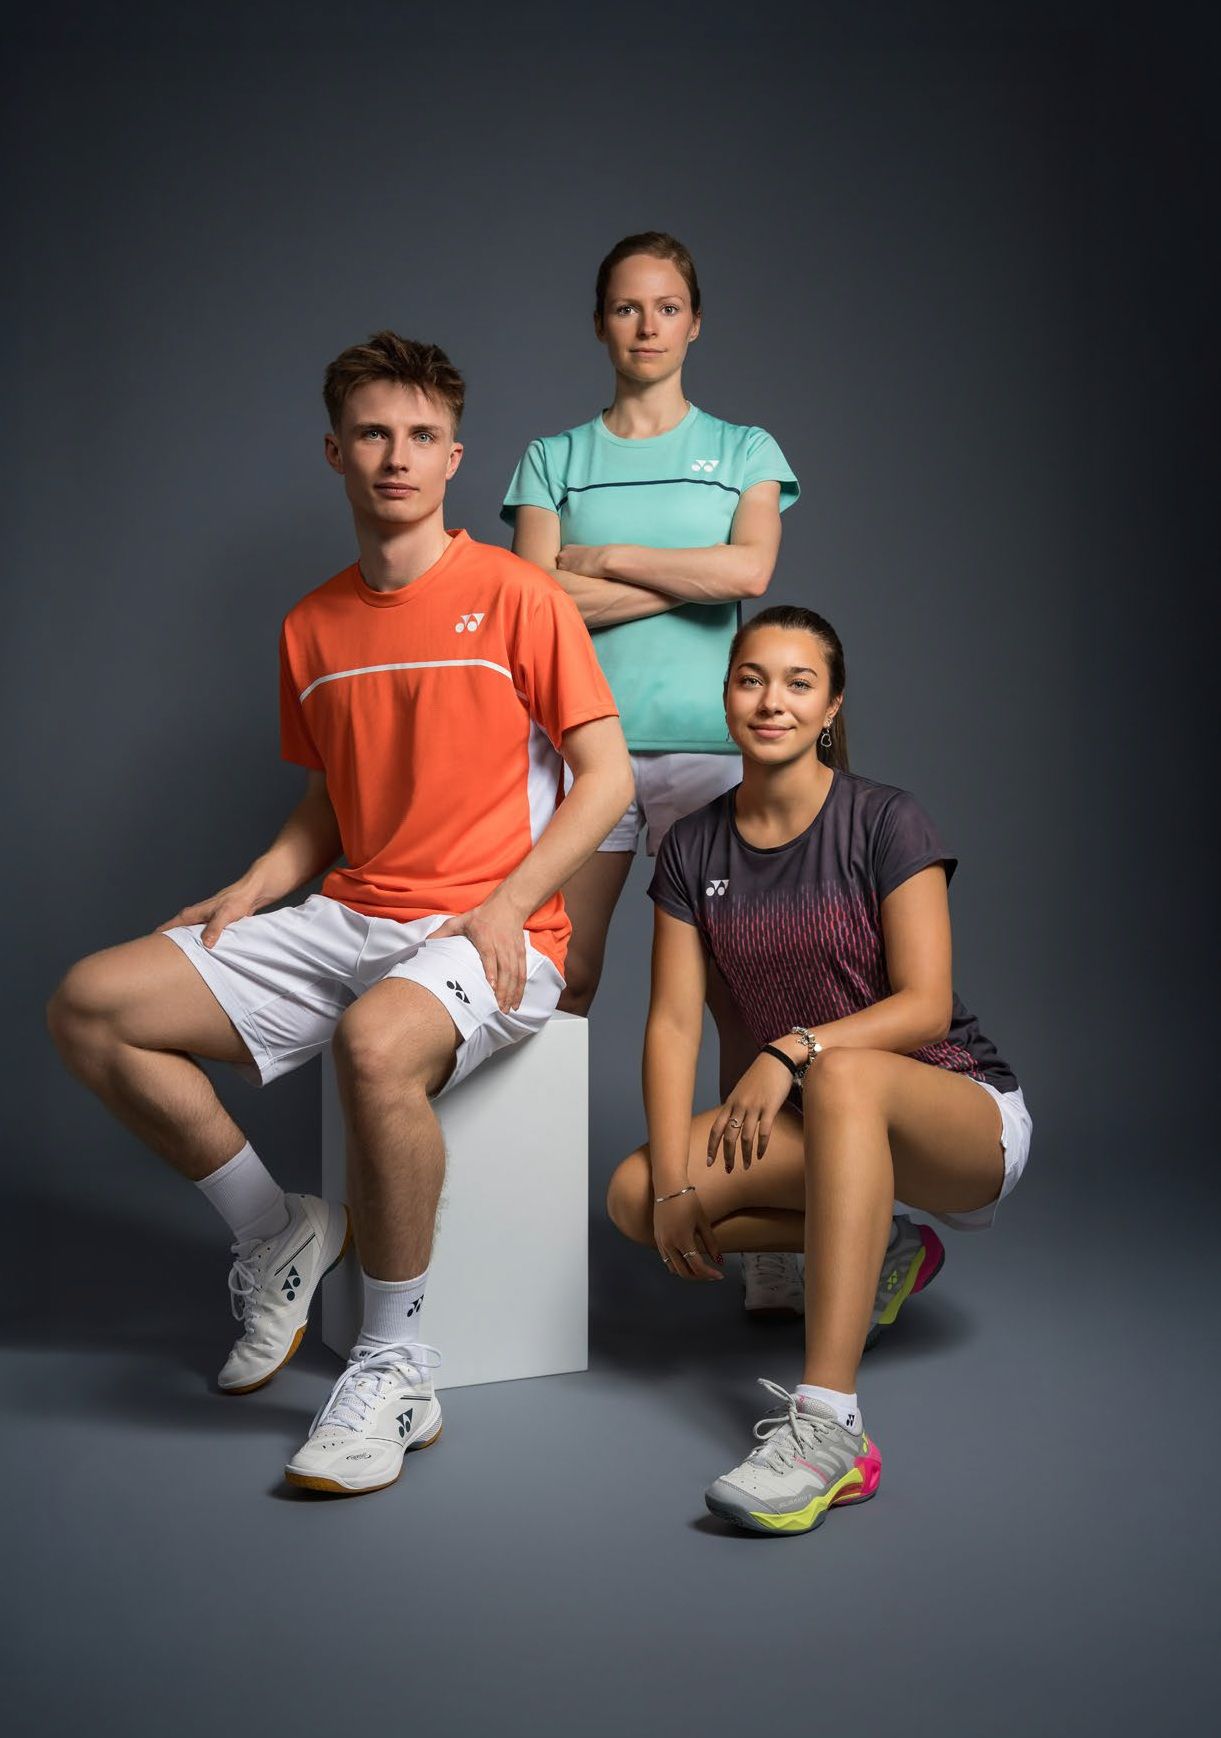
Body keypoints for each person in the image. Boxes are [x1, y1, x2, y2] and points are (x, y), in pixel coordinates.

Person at [48, 332, 632, 1498]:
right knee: (92, 1005)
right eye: (373, 433)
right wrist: (264, 878)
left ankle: (395, 1362)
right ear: (336, 452)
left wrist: (512, 905)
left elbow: (606, 778)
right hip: (353, 914)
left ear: (454, 457)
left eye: (421, 436)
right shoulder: (310, 625)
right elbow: (333, 794)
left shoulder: (518, 595)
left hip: (492, 930)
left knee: (374, 1044)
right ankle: (276, 1229)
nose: (396, 456)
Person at [606, 604, 1031, 1535]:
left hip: (956, 1115)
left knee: (840, 1075)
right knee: (638, 1198)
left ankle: (830, 1428)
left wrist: (790, 1048)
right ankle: (883, 1248)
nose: (773, 701)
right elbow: (673, 1023)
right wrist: (678, 1180)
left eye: (799, 684)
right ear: (726, 697)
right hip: (826, 1129)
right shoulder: (692, 847)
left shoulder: (884, 819)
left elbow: (924, 1004)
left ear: (831, 706)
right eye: (751, 679)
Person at [501, 230, 804, 1315]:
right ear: (600, 324)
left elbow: (752, 567)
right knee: (562, 976)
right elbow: (532, 604)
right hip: (581, 752)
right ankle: (521, 1215)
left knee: (738, 993)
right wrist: (686, 580)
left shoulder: (745, 448)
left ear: (694, 321)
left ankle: (763, 1232)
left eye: (666, 306)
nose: (646, 325)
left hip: (716, 761)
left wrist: (604, 560)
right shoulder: (552, 458)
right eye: (626, 307)